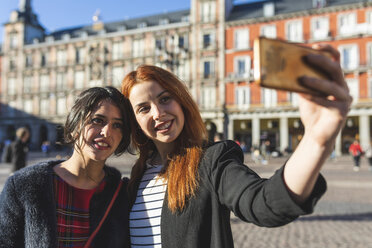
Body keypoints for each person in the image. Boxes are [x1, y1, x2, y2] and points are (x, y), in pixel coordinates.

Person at [121, 43, 351, 248]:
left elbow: (262, 203)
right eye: (143, 108)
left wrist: (316, 139)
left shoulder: (212, 161)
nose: (158, 113)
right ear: (135, 121)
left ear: (181, 102)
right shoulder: (136, 176)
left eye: (164, 99)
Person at [0, 87, 132, 247]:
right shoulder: (23, 187)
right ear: (76, 126)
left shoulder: (122, 195)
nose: (107, 132)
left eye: (117, 125)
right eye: (98, 120)